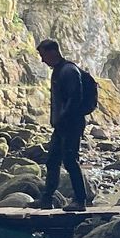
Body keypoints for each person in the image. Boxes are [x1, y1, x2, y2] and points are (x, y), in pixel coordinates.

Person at [36, 38, 89, 210]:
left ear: (52, 52)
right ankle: (46, 200)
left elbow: (75, 98)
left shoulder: (68, 71)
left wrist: (64, 118)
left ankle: (80, 201)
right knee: (52, 161)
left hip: (71, 125)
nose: (42, 60)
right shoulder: (59, 71)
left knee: (70, 161)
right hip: (62, 126)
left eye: (43, 55)